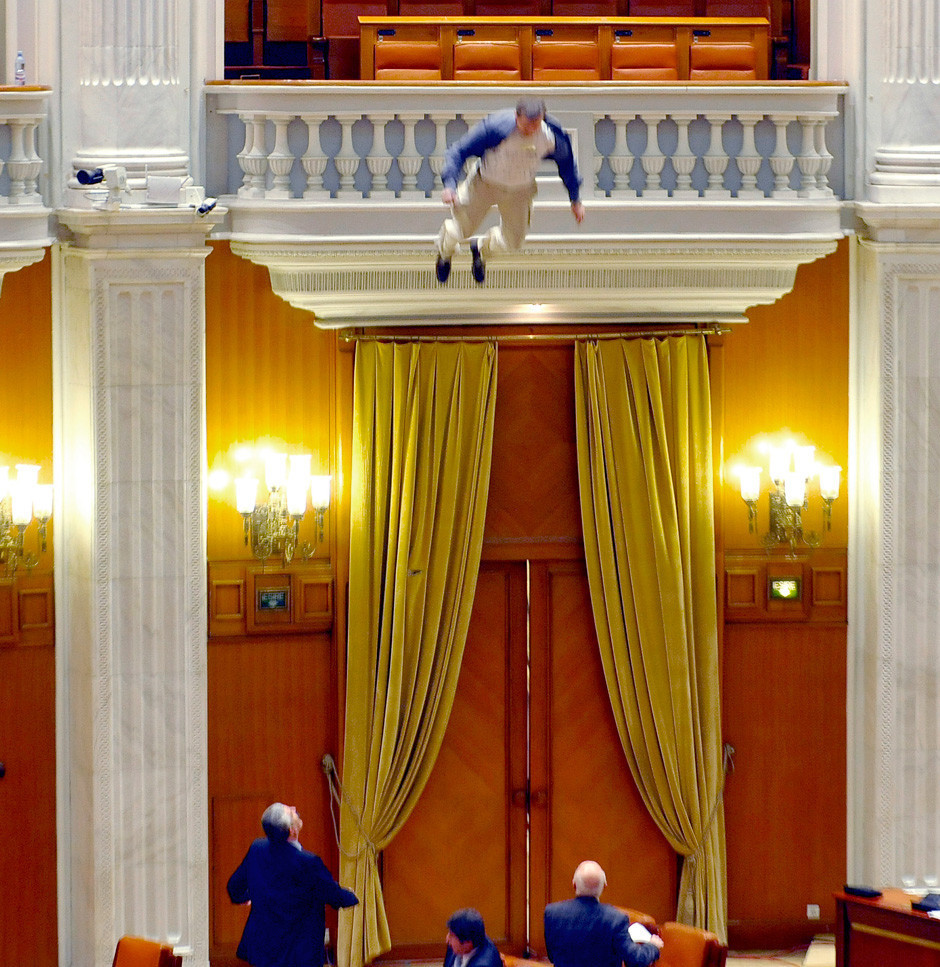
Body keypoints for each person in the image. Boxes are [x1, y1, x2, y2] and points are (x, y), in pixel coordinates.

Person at [435, 97, 585, 285]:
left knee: (513, 241)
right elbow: (458, 151)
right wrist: (450, 184)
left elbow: (567, 164)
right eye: (526, 125)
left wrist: (575, 200)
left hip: (519, 190)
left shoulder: (551, 137)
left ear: (542, 118)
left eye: (535, 124)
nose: (531, 130)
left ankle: (481, 250)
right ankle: (445, 253)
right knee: (459, 230)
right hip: (485, 184)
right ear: (516, 116)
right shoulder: (496, 127)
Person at [227, 802, 358, 967]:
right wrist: (353, 896)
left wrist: (246, 897)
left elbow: (234, 887)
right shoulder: (308, 862)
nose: (295, 809)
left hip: (264, 947)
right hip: (299, 951)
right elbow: (333, 895)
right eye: (291, 811)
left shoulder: (257, 849)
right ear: (292, 831)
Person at [543, 860, 664, 967]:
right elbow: (636, 960)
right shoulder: (616, 919)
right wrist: (652, 946)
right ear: (604, 886)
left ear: (574, 884)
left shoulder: (552, 913)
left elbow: (552, 956)